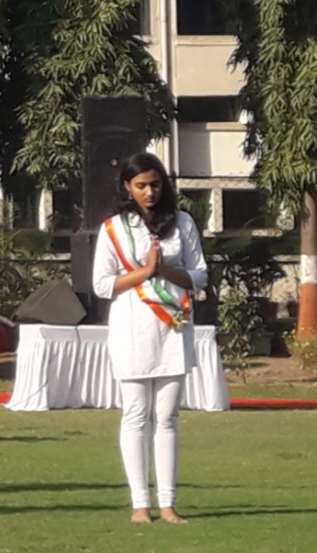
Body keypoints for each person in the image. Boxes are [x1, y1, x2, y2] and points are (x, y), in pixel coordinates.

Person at [92, 151, 206, 525]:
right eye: (140, 185)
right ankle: (141, 504)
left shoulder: (183, 223)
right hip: (132, 326)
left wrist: (165, 271)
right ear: (127, 187)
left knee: (167, 416)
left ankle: (169, 504)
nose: (149, 192)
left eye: (155, 184)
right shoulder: (114, 228)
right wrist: (145, 272)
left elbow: (200, 275)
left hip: (172, 325)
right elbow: (103, 284)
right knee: (137, 415)